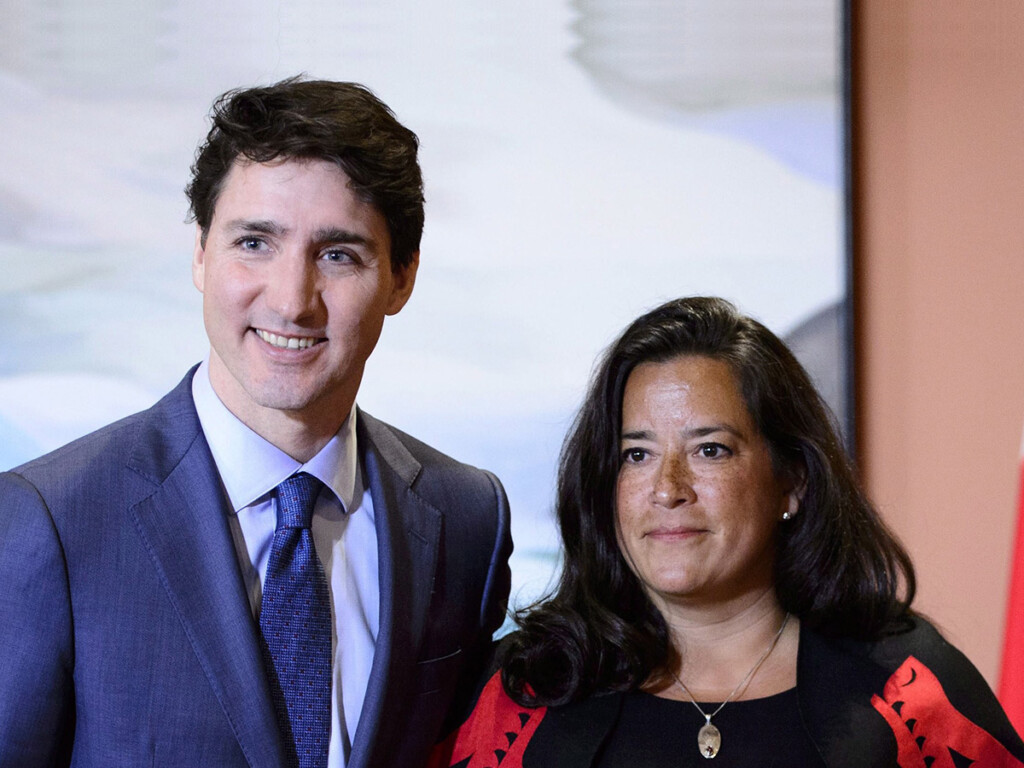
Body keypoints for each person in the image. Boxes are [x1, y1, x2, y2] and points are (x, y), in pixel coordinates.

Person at [0, 77, 512, 768]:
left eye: (338, 254)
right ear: (201, 254)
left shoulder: (466, 518)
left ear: (402, 277)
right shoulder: (51, 521)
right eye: (254, 243)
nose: (292, 300)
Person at [430, 296, 1024, 767]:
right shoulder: (522, 691)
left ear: (792, 481)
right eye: (636, 455)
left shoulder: (911, 695)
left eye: (710, 450)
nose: (667, 487)